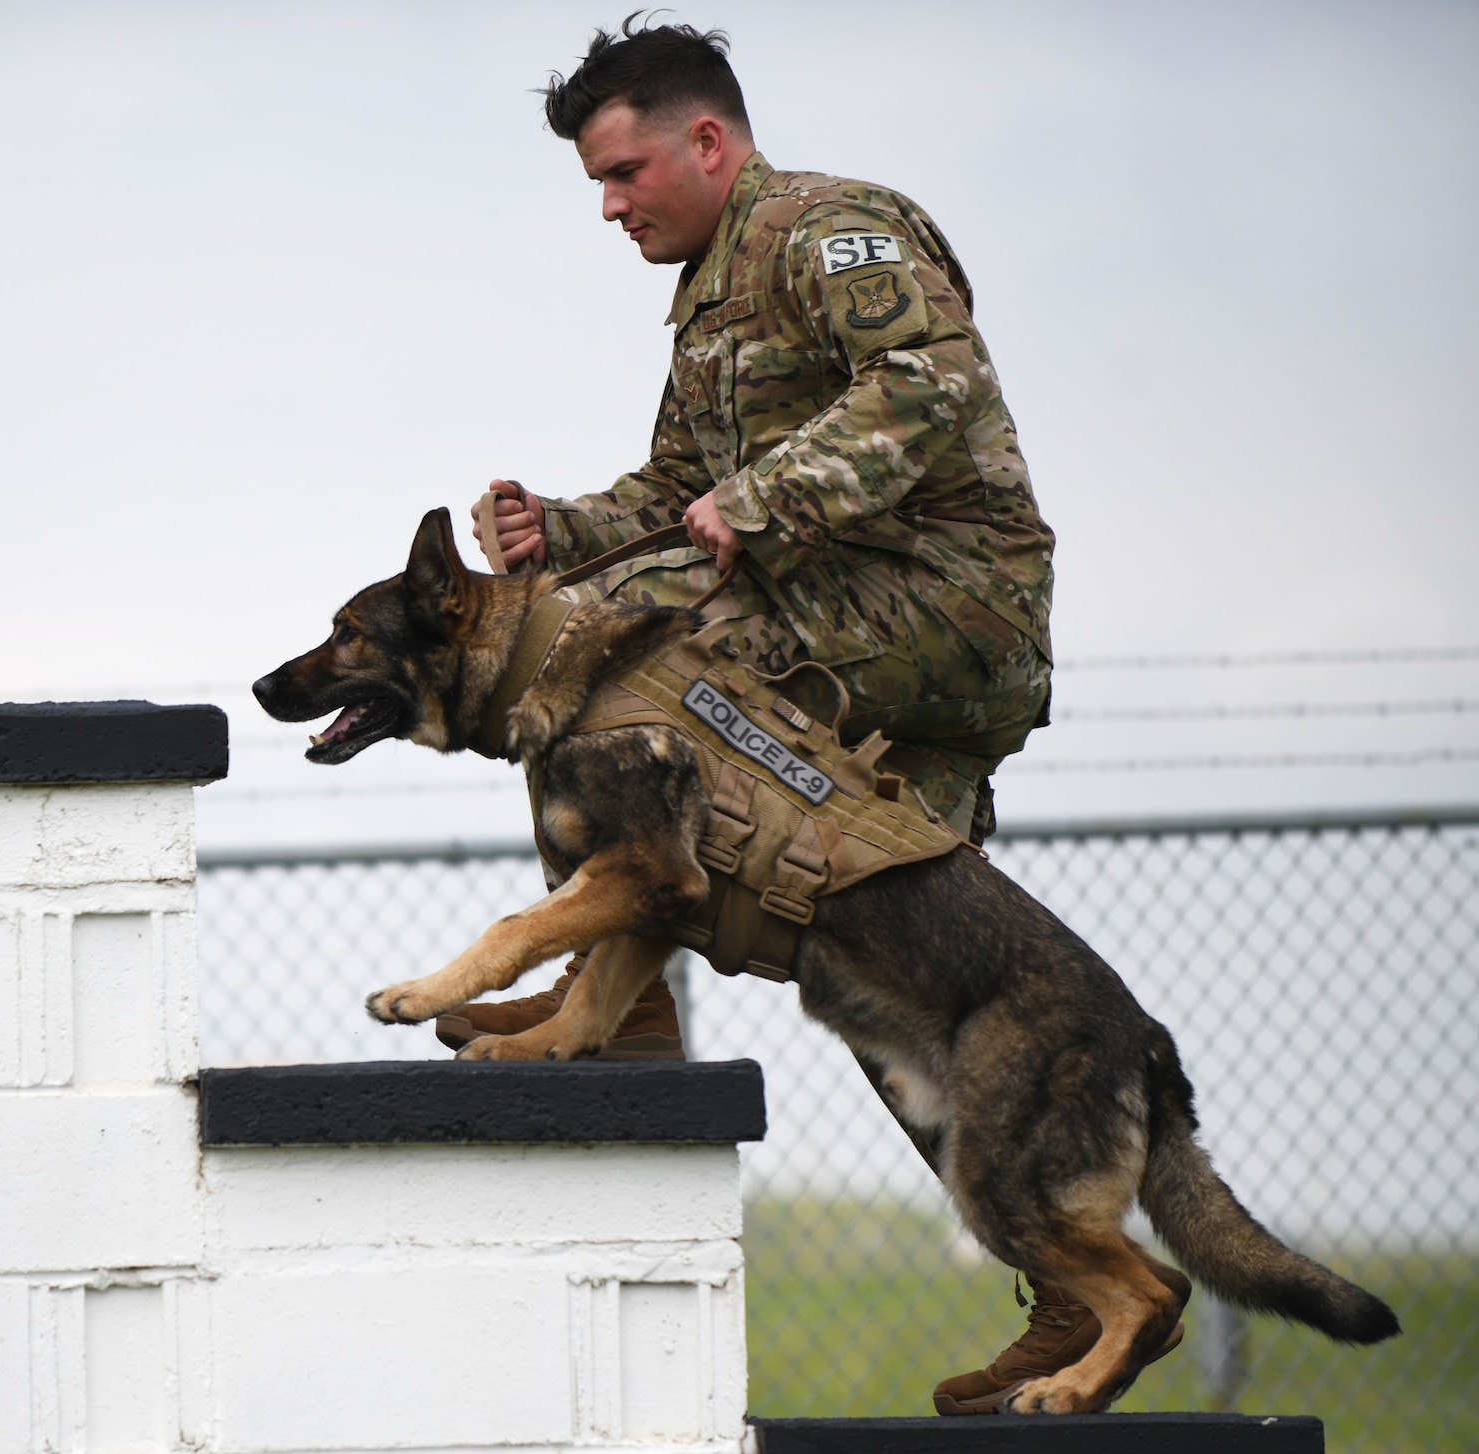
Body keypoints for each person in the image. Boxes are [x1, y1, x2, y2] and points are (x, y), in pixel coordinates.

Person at [436, 15, 1173, 1418]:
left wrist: (762, 502)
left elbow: (928, 383)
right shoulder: (707, 294)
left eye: (624, 170)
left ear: (708, 140)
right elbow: (668, 496)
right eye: (596, 184)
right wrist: (555, 527)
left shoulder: (833, 230)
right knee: (890, 972)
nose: (609, 206)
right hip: (842, 632)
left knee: (585, 661)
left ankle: (622, 1002)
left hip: (946, 607)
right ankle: (1080, 1291)